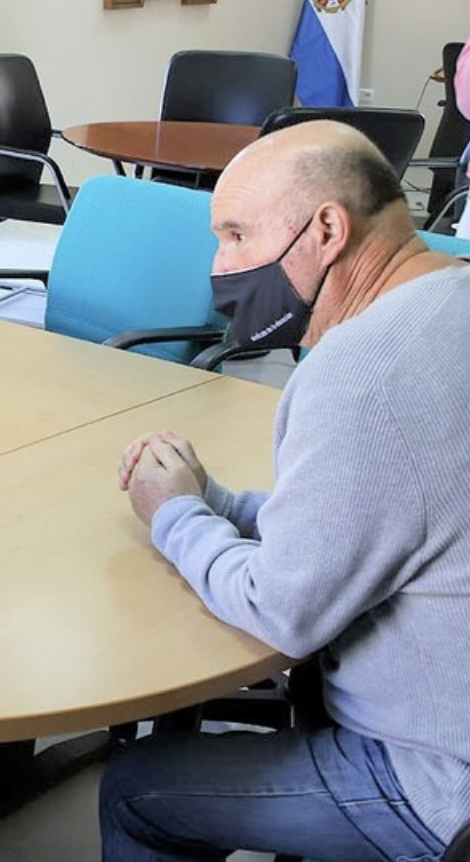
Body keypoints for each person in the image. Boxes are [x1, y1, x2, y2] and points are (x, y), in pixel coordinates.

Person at [104, 121, 470, 862]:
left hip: (437, 784)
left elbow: (282, 613)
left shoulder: (361, 372)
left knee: (138, 792)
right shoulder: (447, 301)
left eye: (237, 235)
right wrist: (218, 500)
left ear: (328, 228)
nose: (220, 266)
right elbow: (378, 520)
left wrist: (171, 511)